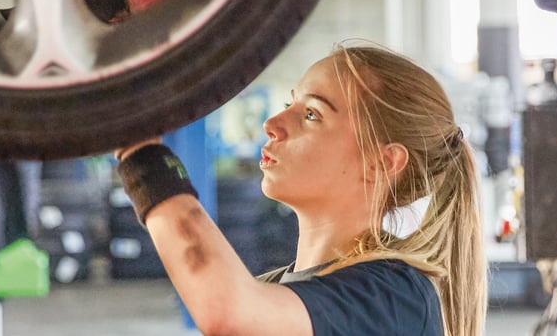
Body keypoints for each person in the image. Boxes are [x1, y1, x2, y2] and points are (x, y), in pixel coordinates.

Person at [114, 43, 486, 336]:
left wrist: (140, 153)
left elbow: (226, 310)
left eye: (312, 114)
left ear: (382, 163)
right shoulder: (274, 290)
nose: (272, 123)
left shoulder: (395, 298)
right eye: (290, 103)